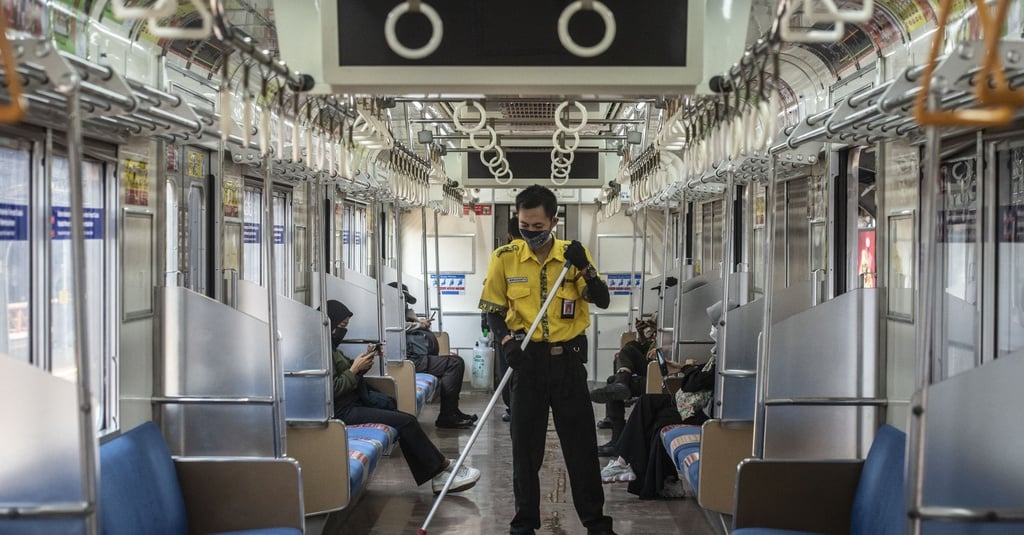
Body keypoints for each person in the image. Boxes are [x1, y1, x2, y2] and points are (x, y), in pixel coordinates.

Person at [479, 185, 616, 535]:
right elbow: (492, 310)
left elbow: (601, 300)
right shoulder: (504, 257)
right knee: (525, 452)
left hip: (567, 362)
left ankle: (596, 524)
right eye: (524, 224)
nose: (530, 232)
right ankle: (524, 524)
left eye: (538, 227)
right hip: (526, 362)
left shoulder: (573, 256)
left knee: (581, 448)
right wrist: (506, 341)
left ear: (553, 221)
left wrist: (585, 268)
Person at [327, 299, 481, 493]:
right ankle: (441, 470)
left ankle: (440, 470)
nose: (342, 332)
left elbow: (348, 370)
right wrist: (354, 369)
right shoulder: (321, 351)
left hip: (352, 401)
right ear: (328, 324)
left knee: (394, 410)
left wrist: (365, 360)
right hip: (343, 410)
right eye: (340, 327)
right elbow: (332, 388)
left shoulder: (331, 348)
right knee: (406, 421)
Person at [599, 300, 730, 499]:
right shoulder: (723, 350)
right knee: (647, 402)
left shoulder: (730, 352)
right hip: (692, 404)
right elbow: (704, 373)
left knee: (657, 420)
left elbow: (694, 383)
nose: (711, 330)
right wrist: (682, 367)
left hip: (699, 411)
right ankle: (637, 468)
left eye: (715, 325)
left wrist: (686, 368)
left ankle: (629, 464)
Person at [392, 282, 477, 429]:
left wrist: (416, 320)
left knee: (456, 361)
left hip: (412, 359)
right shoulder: (388, 316)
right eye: (403, 301)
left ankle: (452, 411)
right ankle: (447, 416)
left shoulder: (402, 315)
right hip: (407, 362)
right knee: (455, 363)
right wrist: (420, 324)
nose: (405, 305)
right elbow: (399, 327)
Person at [589, 315, 659, 456]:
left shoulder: (670, 335)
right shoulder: (655, 336)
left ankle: (617, 440)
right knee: (612, 380)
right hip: (650, 371)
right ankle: (619, 383)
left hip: (660, 377)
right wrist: (642, 333)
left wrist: (658, 332)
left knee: (628, 349)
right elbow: (645, 350)